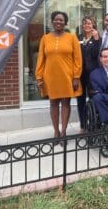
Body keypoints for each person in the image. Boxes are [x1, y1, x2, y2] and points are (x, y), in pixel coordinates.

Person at [36, 11, 82, 144]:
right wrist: (39, 77)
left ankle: (63, 132)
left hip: (67, 76)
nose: (58, 22)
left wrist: (76, 77)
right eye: (56, 19)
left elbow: (77, 60)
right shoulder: (45, 38)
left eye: (61, 20)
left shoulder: (72, 37)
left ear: (65, 22)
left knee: (66, 103)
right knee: (53, 103)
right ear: (52, 21)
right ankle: (56, 132)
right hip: (50, 76)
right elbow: (40, 59)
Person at [76, 16, 101, 134]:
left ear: (93, 25)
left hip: (93, 75)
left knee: (93, 99)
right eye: (85, 23)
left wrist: (96, 40)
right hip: (80, 75)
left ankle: (94, 124)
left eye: (89, 23)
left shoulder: (97, 38)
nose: (87, 25)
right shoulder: (78, 38)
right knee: (80, 100)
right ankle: (82, 125)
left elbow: (96, 54)